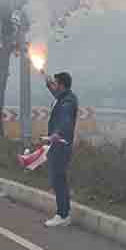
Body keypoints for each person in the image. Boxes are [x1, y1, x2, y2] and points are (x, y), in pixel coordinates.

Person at [44, 71, 79, 227]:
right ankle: (63, 213)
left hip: (61, 144)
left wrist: (56, 134)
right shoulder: (63, 97)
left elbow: (65, 121)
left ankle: (62, 215)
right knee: (58, 178)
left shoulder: (68, 101)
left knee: (59, 179)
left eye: (56, 83)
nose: (54, 86)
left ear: (62, 85)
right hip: (57, 144)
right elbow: (55, 93)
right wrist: (48, 83)